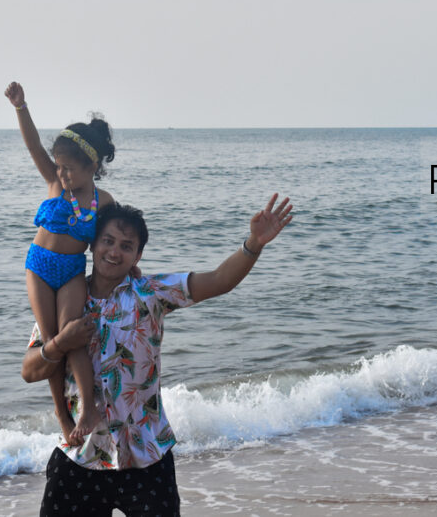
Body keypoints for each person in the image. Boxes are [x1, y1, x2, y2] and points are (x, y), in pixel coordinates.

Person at [23, 195, 293, 517]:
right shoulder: (63, 302)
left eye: (126, 245)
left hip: (147, 456)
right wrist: (60, 343)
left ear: (138, 254)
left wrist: (254, 244)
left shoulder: (151, 293)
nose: (114, 252)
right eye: (107, 241)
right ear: (93, 246)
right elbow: (30, 371)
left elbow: (219, 280)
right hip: (81, 456)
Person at [5, 80, 115, 446]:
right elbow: (33, 144)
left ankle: (88, 408)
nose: (63, 173)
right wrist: (21, 107)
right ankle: (60, 412)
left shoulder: (104, 201)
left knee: (74, 336)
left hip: (71, 272)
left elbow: (109, 242)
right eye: (60, 167)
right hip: (38, 267)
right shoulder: (54, 182)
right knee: (51, 340)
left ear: (91, 166)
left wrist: (127, 267)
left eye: (70, 168)